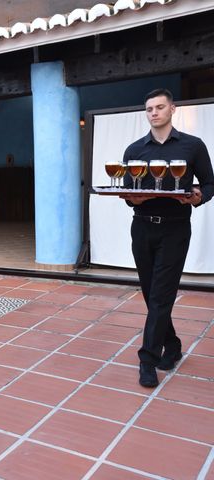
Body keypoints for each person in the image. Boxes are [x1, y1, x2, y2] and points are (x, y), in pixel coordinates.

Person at [120, 88, 214, 388]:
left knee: (161, 295)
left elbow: (210, 183)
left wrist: (199, 197)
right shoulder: (135, 150)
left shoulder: (192, 146)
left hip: (175, 228)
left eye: (160, 107)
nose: (154, 113)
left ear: (172, 109)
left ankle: (148, 360)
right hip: (142, 227)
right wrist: (131, 200)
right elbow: (127, 193)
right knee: (152, 295)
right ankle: (172, 345)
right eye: (149, 109)